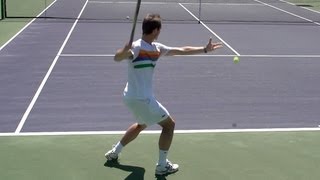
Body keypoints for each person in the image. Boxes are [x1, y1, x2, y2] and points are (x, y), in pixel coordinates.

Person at [105, 13, 223, 176]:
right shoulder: (137, 48)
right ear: (155, 30)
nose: (160, 32)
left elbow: (181, 50)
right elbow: (117, 58)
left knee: (142, 124)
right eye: (159, 29)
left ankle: (114, 152)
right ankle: (161, 166)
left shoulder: (156, 48)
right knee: (169, 125)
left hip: (130, 97)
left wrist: (204, 49)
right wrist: (123, 51)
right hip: (143, 99)